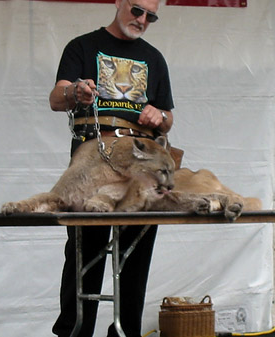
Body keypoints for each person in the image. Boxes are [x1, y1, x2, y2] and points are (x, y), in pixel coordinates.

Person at [48, 0, 174, 336]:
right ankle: (75, 330)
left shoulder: (155, 58)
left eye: (151, 16)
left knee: (136, 252)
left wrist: (159, 117)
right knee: (84, 249)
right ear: (118, 2)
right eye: (137, 10)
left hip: (141, 163)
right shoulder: (83, 46)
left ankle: (127, 332)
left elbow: (169, 116)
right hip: (96, 156)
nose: (143, 19)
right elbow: (56, 98)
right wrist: (76, 90)